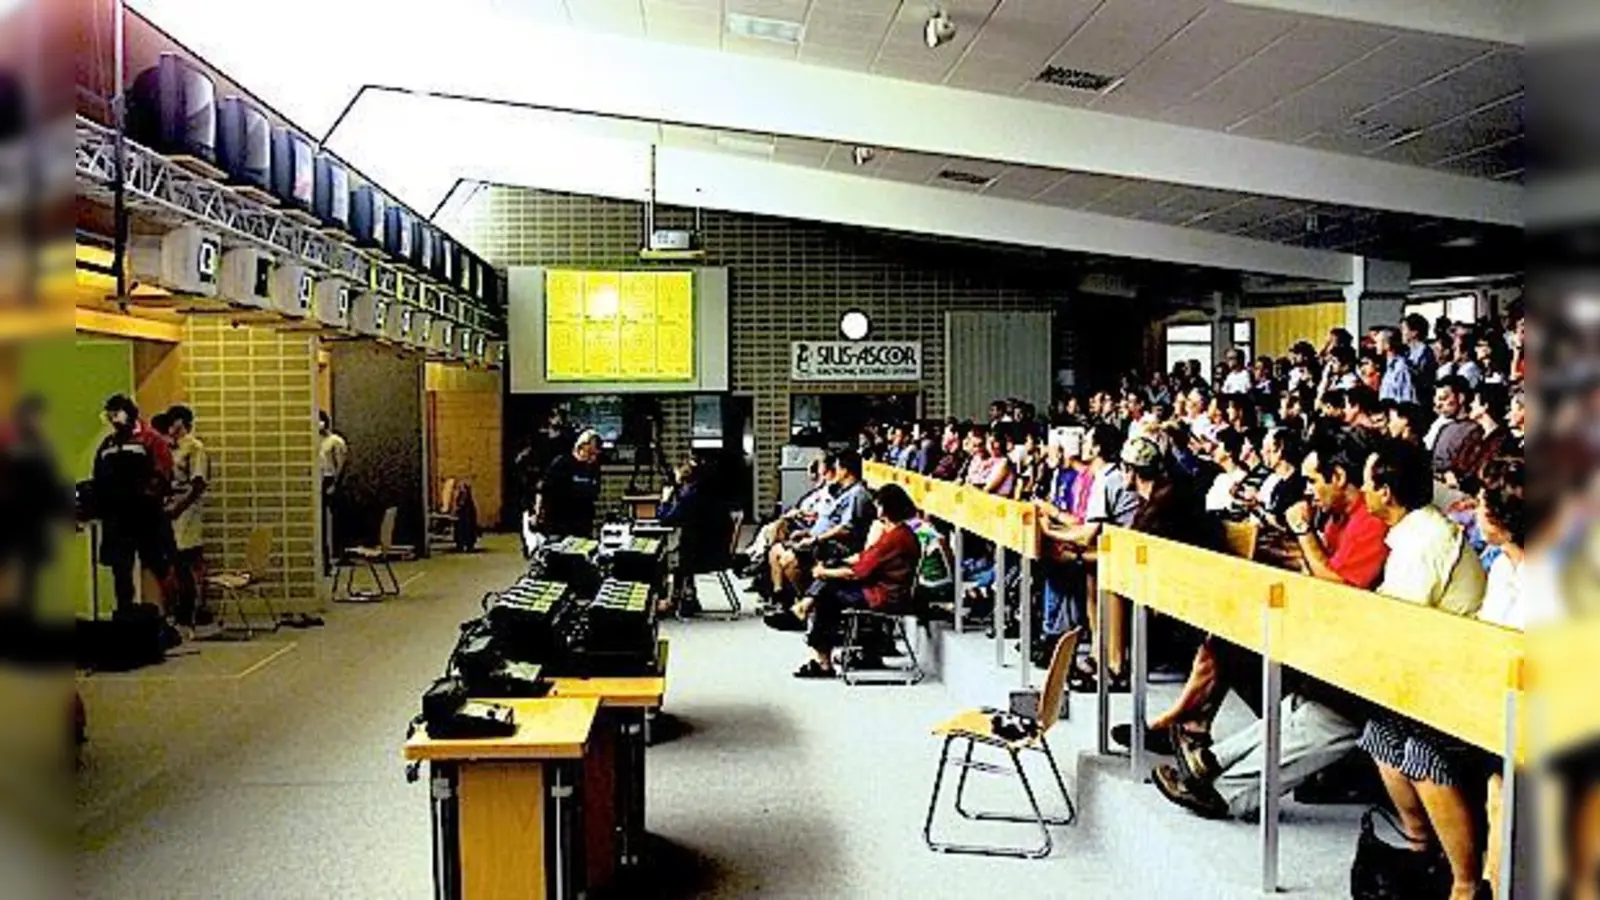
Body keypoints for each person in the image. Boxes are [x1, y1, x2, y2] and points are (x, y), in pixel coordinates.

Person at [1355, 439, 1491, 900]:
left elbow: (1400, 624)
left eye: (1367, 481)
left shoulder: (1428, 538)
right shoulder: (1411, 534)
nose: (1361, 489)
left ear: (1386, 491)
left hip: (1464, 683)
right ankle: (1421, 847)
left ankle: (1465, 882)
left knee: (1420, 750)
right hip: (1432, 676)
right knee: (1378, 733)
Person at [782, 484, 920, 679]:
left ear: (886, 508)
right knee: (829, 580)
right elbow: (867, 557)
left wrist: (825, 572)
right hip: (881, 588)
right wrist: (835, 566)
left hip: (884, 596)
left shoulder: (895, 538)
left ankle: (823, 661)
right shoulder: (899, 533)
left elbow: (856, 573)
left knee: (827, 596)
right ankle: (804, 608)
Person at [92, 395, 175, 614]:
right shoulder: (108, 444)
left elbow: (163, 473)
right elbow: (98, 476)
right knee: (121, 567)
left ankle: (168, 615)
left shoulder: (150, 439)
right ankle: (125, 614)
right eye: (109, 415)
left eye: (116, 414)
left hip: (147, 516)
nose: (113, 420)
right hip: (118, 519)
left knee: (157, 564)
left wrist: (145, 497)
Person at [656, 457, 725, 617]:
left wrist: (666, 500)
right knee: (681, 550)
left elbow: (665, 519)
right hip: (713, 550)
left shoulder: (689, 497)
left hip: (699, 555)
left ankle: (673, 600)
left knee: (661, 559)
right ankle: (686, 597)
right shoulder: (704, 493)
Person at [164, 405, 212, 627]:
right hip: (170, 506)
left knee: (187, 557)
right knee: (175, 560)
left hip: (186, 508)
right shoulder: (168, 447)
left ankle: (194, 609)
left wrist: (180, 507)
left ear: (181, 423)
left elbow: (198, 482)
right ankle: (181, 609)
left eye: (173, 422)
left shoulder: (194, 447)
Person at [533, 429, 603, 539]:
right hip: (559, 524)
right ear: (582, 445)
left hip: (583, 526)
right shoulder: (562, 463)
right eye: (590, 449)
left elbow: (595, 492)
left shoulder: (593, 468)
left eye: (595, 452)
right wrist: (538, 513)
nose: (593, 455)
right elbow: (543, 489)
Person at [1425, 376, 1485, 481]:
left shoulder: (1474, 430)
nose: (1438, 405)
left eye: (1444, 398)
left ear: (1461, 398)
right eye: (1437, 400)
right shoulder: (1444, 427)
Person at [318, 411, 349, 576]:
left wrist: (335, 484)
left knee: (335, 521)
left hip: (330, 481)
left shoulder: (335, 441)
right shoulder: (316, 442)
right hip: (320, 480)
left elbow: (340, 465)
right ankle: (325, 561)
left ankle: (338, 554)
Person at [1380, 328, 1419, 404]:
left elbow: (1405, 395)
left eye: (1378, 342)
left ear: (1387, 344)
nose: (1375, 345)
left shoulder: (1401, 367)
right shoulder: (1388, 366)